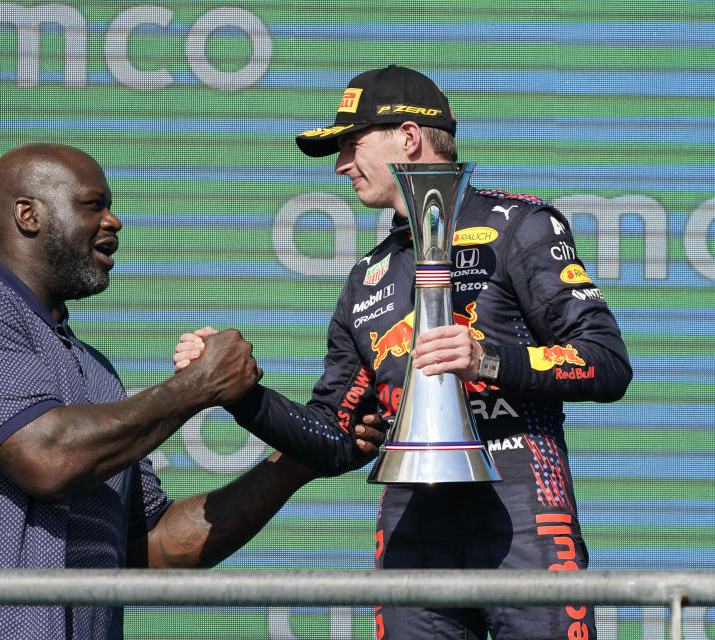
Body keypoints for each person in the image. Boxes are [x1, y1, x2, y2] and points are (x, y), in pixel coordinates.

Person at [175, 65, 633, 640]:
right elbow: (337, 439)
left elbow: (606, 361)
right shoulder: (366, 277)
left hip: (523, 515)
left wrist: (488, 359)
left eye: (350, 144)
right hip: (411, 524)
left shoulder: (519, 225)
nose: (340, 165)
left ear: (408, 137)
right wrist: (242, 397)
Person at [0, 142, 383, 640]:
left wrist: (298, 461)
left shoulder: (95, 370)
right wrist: (196, 388)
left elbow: (152, 547)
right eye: (94, 206)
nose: (113, 221)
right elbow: (45, 457)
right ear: (28, 215)